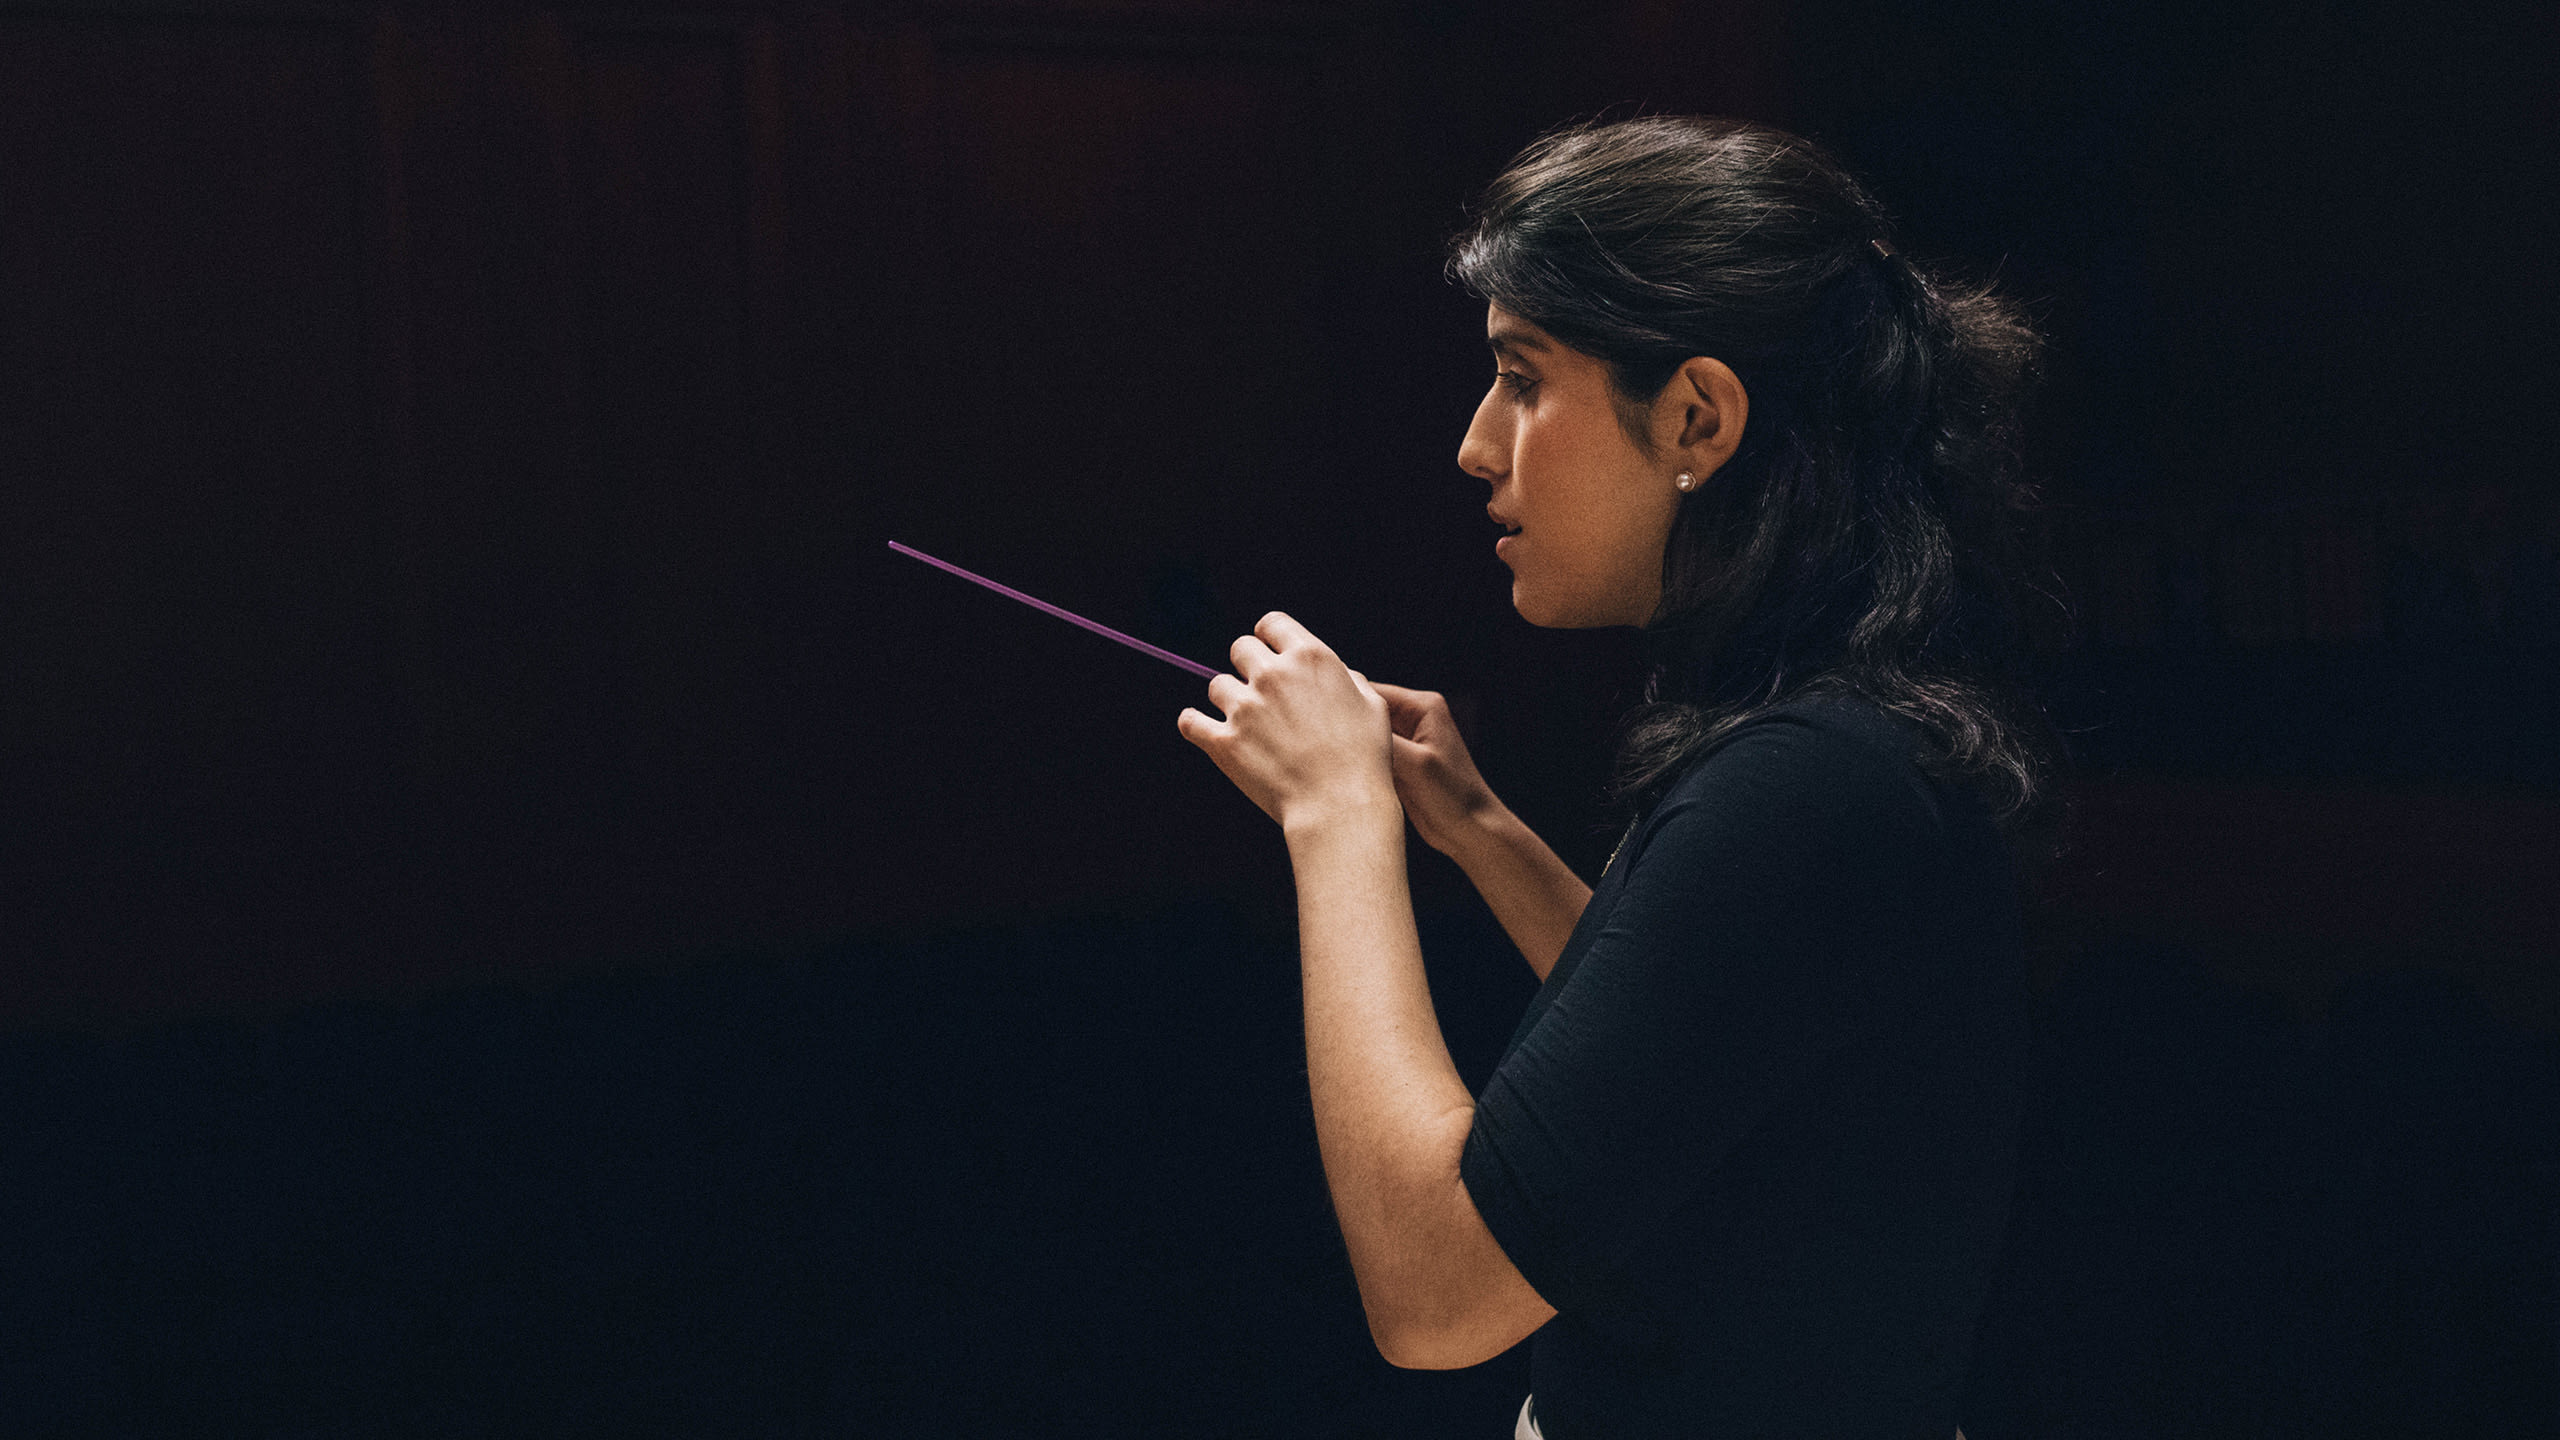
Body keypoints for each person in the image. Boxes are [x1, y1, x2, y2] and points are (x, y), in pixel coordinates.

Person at [1177, 114, 2068, 1440]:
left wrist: (1336, 814)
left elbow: (1436, 1296)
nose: (1478, 444)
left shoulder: (1807, 787)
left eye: (1522, 380)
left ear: (1698, 415)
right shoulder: (1829, 746)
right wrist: (1476, 827)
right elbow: (1699, 1037)